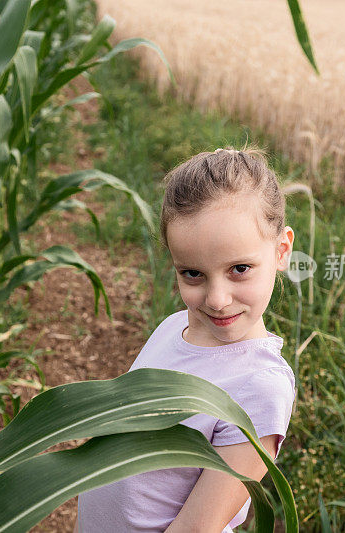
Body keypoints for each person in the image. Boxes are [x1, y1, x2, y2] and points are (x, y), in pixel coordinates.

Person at [74, 147, 297, 532]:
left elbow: (197, 528)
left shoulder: (259, 388)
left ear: (281, 251)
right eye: (192, 274)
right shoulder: (174, 327)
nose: (216, 299)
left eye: (239, 269)